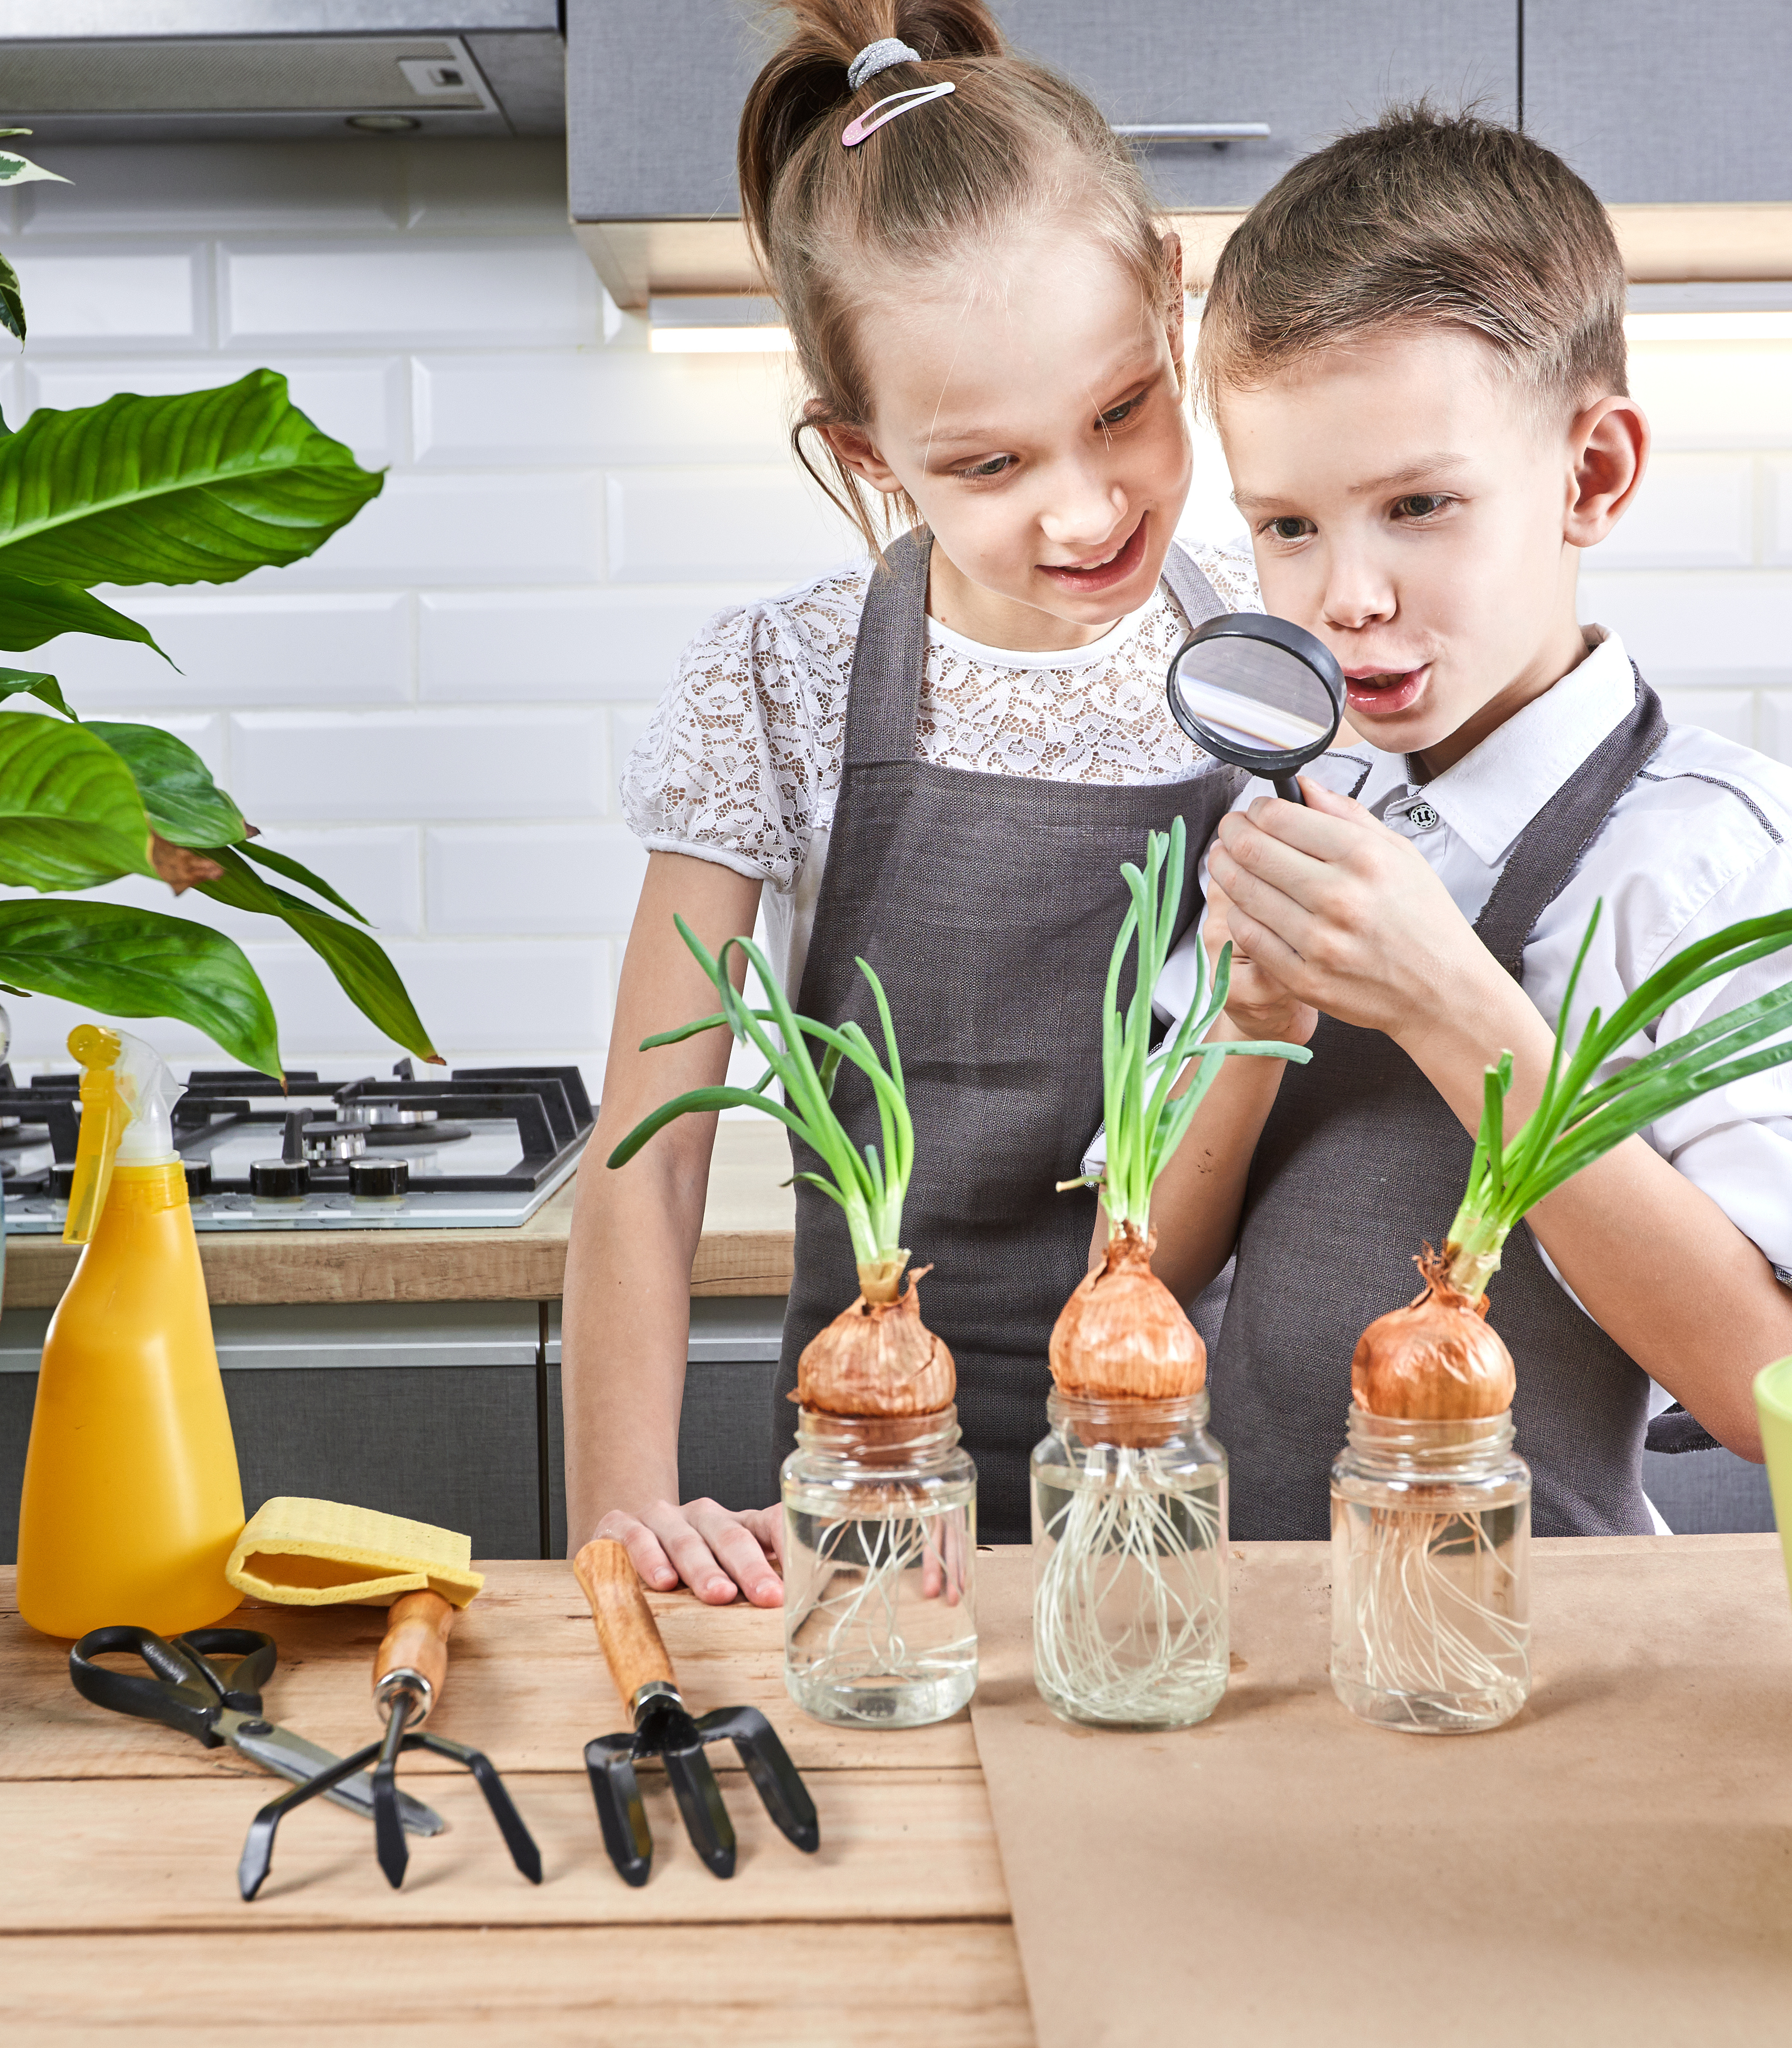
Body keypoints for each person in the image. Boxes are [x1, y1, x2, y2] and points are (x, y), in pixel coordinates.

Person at [562, 0, 1263, 1602]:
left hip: (1195, 1508)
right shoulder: (785, 682)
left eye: (1120, 412)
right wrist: (623, 1510)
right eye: (992, 468)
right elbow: (647, 1146)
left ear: (1171, 298)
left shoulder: (1275, 678)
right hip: (871, 1509)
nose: (1087, 509)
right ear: (868, 452)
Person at [1146, 104, 1792, 1538]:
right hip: (1251, 1630)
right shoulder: (1310, 803)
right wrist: (1255, 1024)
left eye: (1420, 505)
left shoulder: (1721, 854)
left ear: (1593, 474)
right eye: (1289, 526)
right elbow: (1153, 1266)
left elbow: (1779, 1394)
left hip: (1534, 1646)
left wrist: (1451, 1006)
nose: (1344, 596)